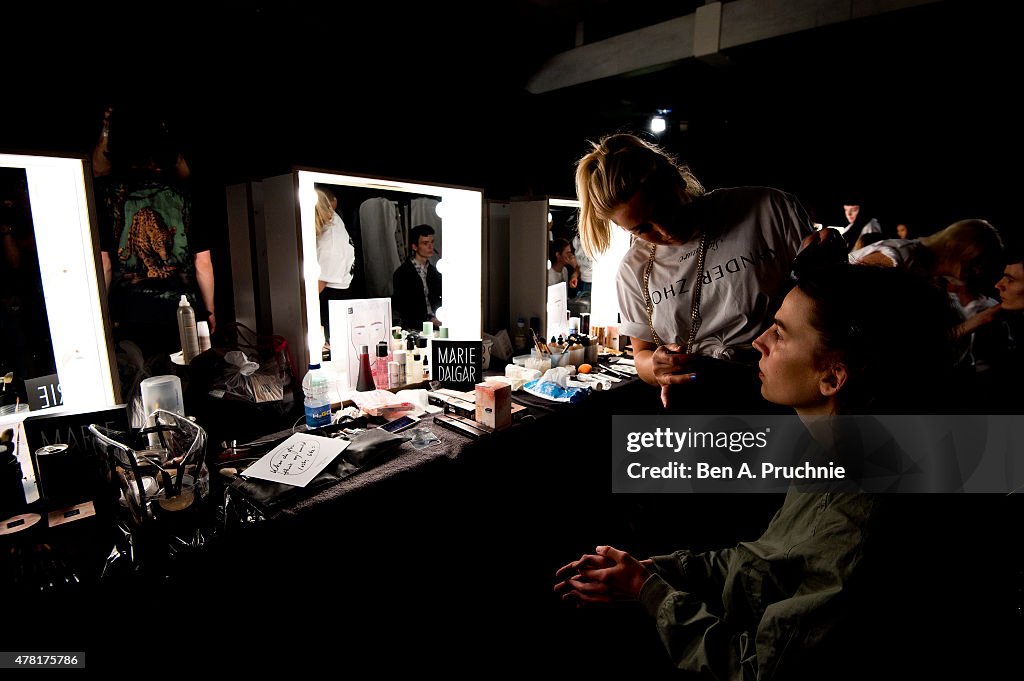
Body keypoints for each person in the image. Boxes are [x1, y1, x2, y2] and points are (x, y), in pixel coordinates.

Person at [554, 264, 961, 678]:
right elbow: (762, 564)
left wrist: (648, 593)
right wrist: (653, 569)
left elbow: (753, 669)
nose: (758, 341)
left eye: (780, 333)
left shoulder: (859, 520)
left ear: (833, 376)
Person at [575, 133, 812, 411]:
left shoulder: (768, 210)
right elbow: (642, 355)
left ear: (674, 177)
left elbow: (822, 308)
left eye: (664, 208)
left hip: (780, 392)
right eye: (642, 229)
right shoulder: (633, 270)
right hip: (696, 402)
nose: (665, 230)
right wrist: (656, 366)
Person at [92, 103, 215, 359]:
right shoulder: (186, 192)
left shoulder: (106, 193)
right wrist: (209, 310)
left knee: (140, 383)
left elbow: (103, 263)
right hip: (184, 312)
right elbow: (203, 261)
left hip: (129, 312)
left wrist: (101, 311)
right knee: (188, 380)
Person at [314, 187, 356, 345]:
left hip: (331, 299)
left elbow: (318, 286)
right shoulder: (335, 222)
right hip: (336, 295)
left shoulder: (330, 241)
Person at [392, 224, 441, 331]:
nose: (430, 247)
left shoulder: (435, 272)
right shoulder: (402, 273)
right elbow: (404, 307)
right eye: (425, 243)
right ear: (414, 246)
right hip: (414, 328)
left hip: (437, 325)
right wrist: (429, 318)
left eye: (432, 242)